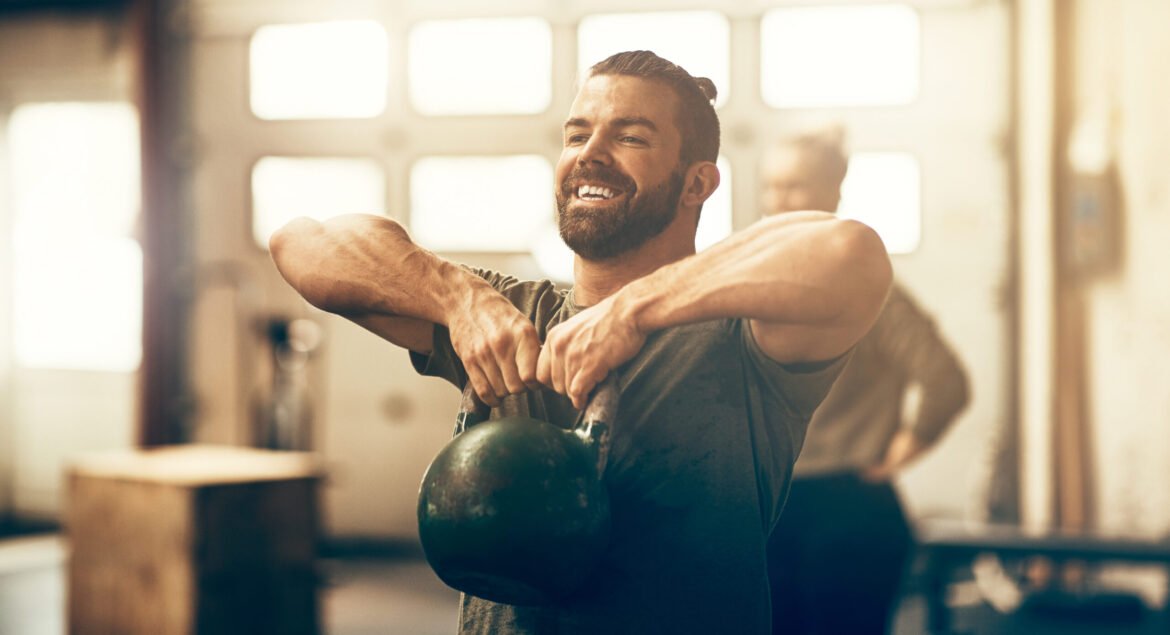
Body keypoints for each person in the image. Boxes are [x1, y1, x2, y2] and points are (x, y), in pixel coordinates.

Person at [270, 51, 891, 635]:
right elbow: (303, 244)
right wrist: (458, 299)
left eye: (630, 137)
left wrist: (634, 310)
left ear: (697, 184)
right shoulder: (505, 312)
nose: (589, 155)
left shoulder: (744, 338)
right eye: (576, 134)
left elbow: (850, 254)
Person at [761, 126, 971, 634]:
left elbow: (945, 380)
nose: (778, 200)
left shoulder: (869, 290)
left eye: (796, 185)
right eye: (771, 185)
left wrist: (899, 449)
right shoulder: (755, 284)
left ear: (833, 193)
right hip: (770, 514)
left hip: (846, 514)